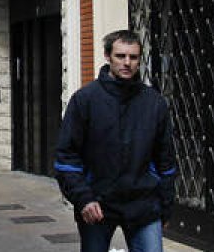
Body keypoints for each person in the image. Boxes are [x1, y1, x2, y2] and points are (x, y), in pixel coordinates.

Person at [55, 30, 176, 252]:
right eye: (120, 56)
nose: (127, 62)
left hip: (144, 205)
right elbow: (66, 157)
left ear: (140, 59)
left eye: (133, 57)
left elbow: (165, 159)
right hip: (97, 205)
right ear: (107, 56)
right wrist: (83, 198)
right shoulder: (85, 100)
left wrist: (165, 206)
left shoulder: (154, 103)